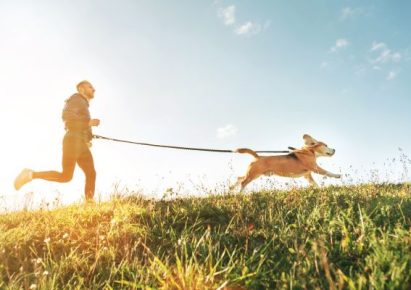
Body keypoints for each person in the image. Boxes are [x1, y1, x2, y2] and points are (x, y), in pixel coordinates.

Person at [14, 80, 100, 202]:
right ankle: (30, 174)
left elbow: (80, 126)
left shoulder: (83, 104)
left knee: (89, 174)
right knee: (67, 176)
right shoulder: (77, 99)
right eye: (90, 87)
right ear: (81, 89)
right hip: (72, 141)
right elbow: (67, 118)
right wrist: (88, 123)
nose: (94, 89)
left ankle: (89, 204)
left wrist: (87, 139)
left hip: (80, 143)